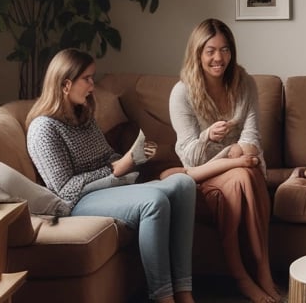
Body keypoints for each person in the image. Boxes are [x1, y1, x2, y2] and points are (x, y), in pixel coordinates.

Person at [25, 48, 196, 303]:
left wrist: (130, 158)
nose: (93, 85)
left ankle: (183, 291)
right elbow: (65, 190)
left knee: (184, 183)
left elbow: (107, 157)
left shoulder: (84, 117)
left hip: (109, 188)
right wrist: (116, 169)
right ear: (65, 84)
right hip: (77, 203)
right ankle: (163, 297)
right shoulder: (43, 129)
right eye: (88, 78)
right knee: (154, 202)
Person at [168, 18, 280, 303]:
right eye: (210, 50)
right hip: (207, 171)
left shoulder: (245, 84)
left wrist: (237, 155)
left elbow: (252, 139)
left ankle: (262, 270)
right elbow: (189, 157)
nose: (219, 58)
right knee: (244, 172)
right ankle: (246, 276)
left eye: (225, 49)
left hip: (246, 164)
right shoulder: (182, 93)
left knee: (245, 173)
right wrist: (208, 137)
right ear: (198, 53)